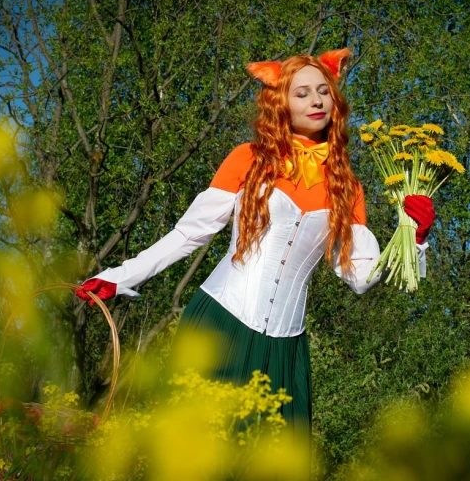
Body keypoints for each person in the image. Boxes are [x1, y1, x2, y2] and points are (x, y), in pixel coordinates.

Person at [76, 49, 435, 438]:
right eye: (302, 93)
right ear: (280, 102)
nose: (316, 100)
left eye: (323, 91)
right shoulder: (247, 159)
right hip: (220, 324)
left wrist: (412, 238)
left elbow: (361, 278)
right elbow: (187, 235)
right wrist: (119, 276)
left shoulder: (347, 187)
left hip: (286, 350)